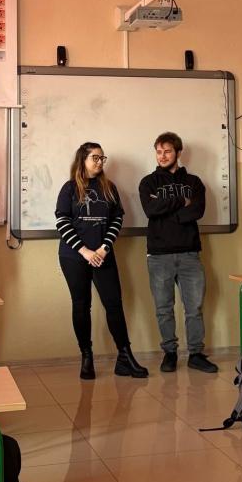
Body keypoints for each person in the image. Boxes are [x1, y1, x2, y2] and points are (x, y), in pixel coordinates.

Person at [55, 142, 148, 380]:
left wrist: (104, 248)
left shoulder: (109, 187)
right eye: (95, 158)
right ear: (83, 160)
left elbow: (117, 219)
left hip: (103, 254)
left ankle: (124, 357)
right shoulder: (69, 188)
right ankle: (86, 357)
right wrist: (85, 251)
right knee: (81, 305)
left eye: (102, 158)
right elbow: (62, 222)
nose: (99, 162)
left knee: (114, 304)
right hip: (74, 256)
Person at [139, 131, 218, 374]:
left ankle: (196, 354)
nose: (163, 156)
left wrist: (166, 210)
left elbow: (196, 212)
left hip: (189, 254)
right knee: (164, 309)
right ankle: (170, 353)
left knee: (194, 308)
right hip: (159, 255)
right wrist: (181, 202)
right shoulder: (148, 182)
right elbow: (150, 210)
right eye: (159, 152)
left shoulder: (193, 182)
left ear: (178, 152)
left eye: (168, 151)